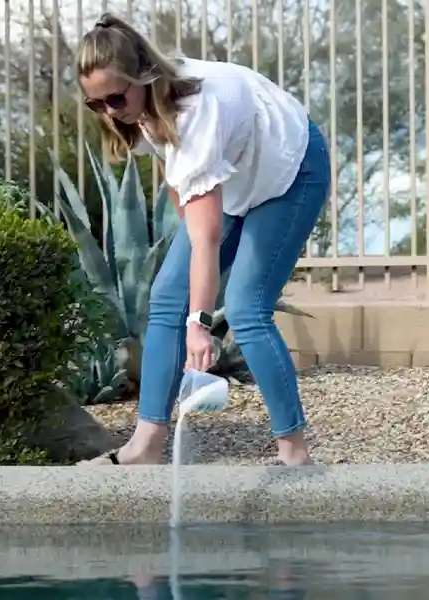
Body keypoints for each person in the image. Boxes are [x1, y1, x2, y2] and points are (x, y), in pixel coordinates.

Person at [76, 13, 329, 467]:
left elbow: (208, 236)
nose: (110, 111)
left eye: (116, 98)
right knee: (166, 293)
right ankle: (147, 445)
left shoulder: (197, 109)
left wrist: (199, 323)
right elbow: (178, 180)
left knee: (248, 307)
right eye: (97, 105)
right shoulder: (140, 110)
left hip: (290, 170)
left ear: (144, 77)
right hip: (236, 177)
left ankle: (295, 453)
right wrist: (188, 277)